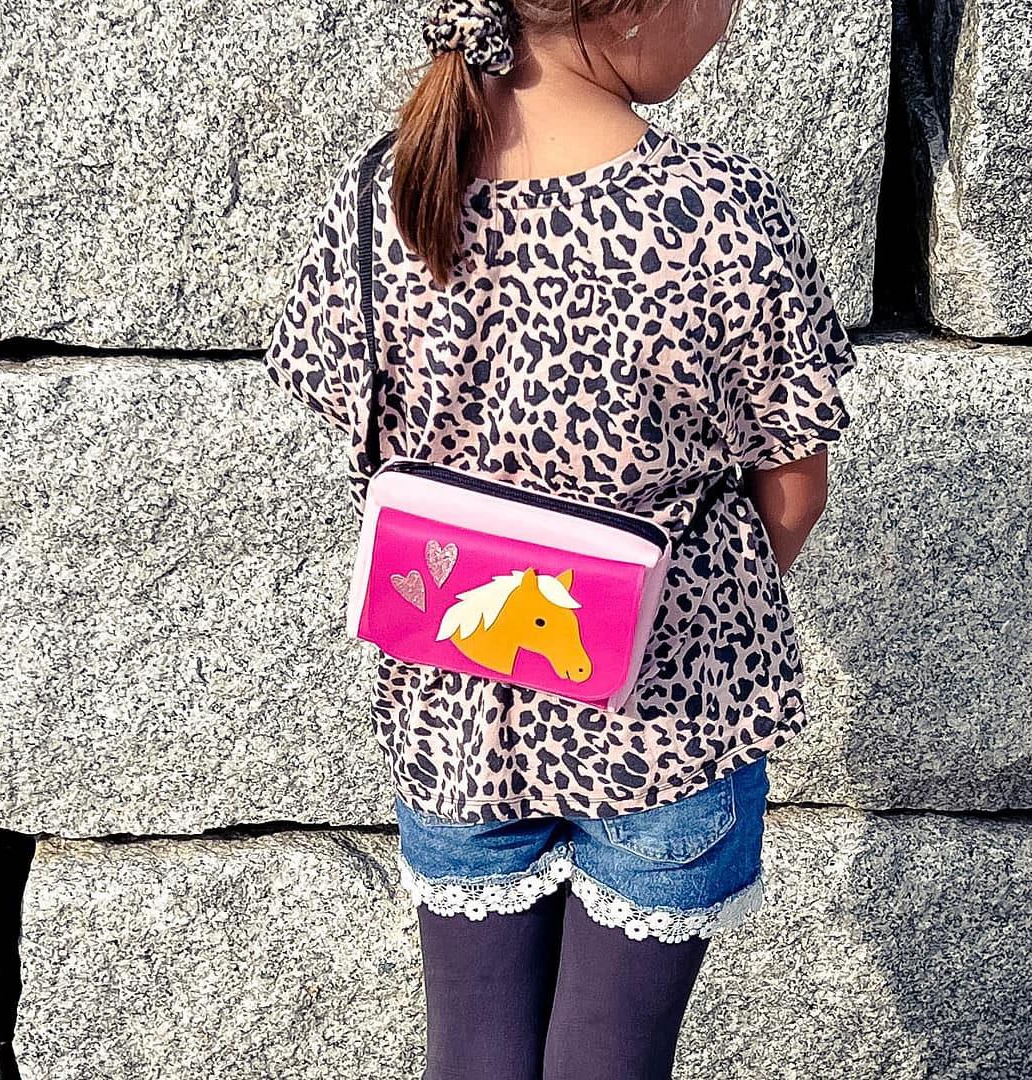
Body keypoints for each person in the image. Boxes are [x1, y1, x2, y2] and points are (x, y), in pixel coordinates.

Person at [262, 0, 857, 1076]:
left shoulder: (389, 189)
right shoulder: (720, 212)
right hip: (667, 724)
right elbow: (794, 487)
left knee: (473, 1054)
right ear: (637, 9)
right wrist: (654, 601)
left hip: (455, 713)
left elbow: (350, 422)